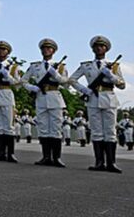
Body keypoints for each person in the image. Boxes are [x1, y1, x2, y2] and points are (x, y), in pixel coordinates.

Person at [69, 35, 125, 173]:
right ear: (93, 49)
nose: (99, 48)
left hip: (109, 99)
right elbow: (72, 80)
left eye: (102, 46)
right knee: (97, 132)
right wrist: (84, 90)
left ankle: (111, 163)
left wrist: (111, 76)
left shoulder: (114, 65)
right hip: (93, 99)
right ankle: (99, 162)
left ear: (106, 49)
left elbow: (122, 85)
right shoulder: (86, 65)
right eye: (96, 46)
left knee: (110, 132)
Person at [21, 38, 69, 168]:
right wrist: (32, 88)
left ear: (53, 51)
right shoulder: (35, 66)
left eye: (49, 48)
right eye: (43, 48)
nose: (46, 50)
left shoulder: (60, 66)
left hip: (55, 98)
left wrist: (56, 75)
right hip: (41, 98)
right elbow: (23, 81)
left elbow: (65, 82)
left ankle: (56, 158)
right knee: (43, 129)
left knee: (55, 129)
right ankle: (46, 156)